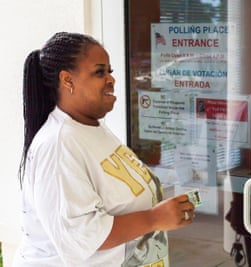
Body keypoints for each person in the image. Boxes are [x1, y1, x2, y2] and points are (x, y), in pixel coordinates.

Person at [15, 32, 196, 266]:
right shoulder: (58, 145)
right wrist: (154, 218)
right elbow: (81, 236)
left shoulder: (90, 127)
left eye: (110, 71)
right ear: (67, 80)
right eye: (99, 72)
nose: (111, 79)